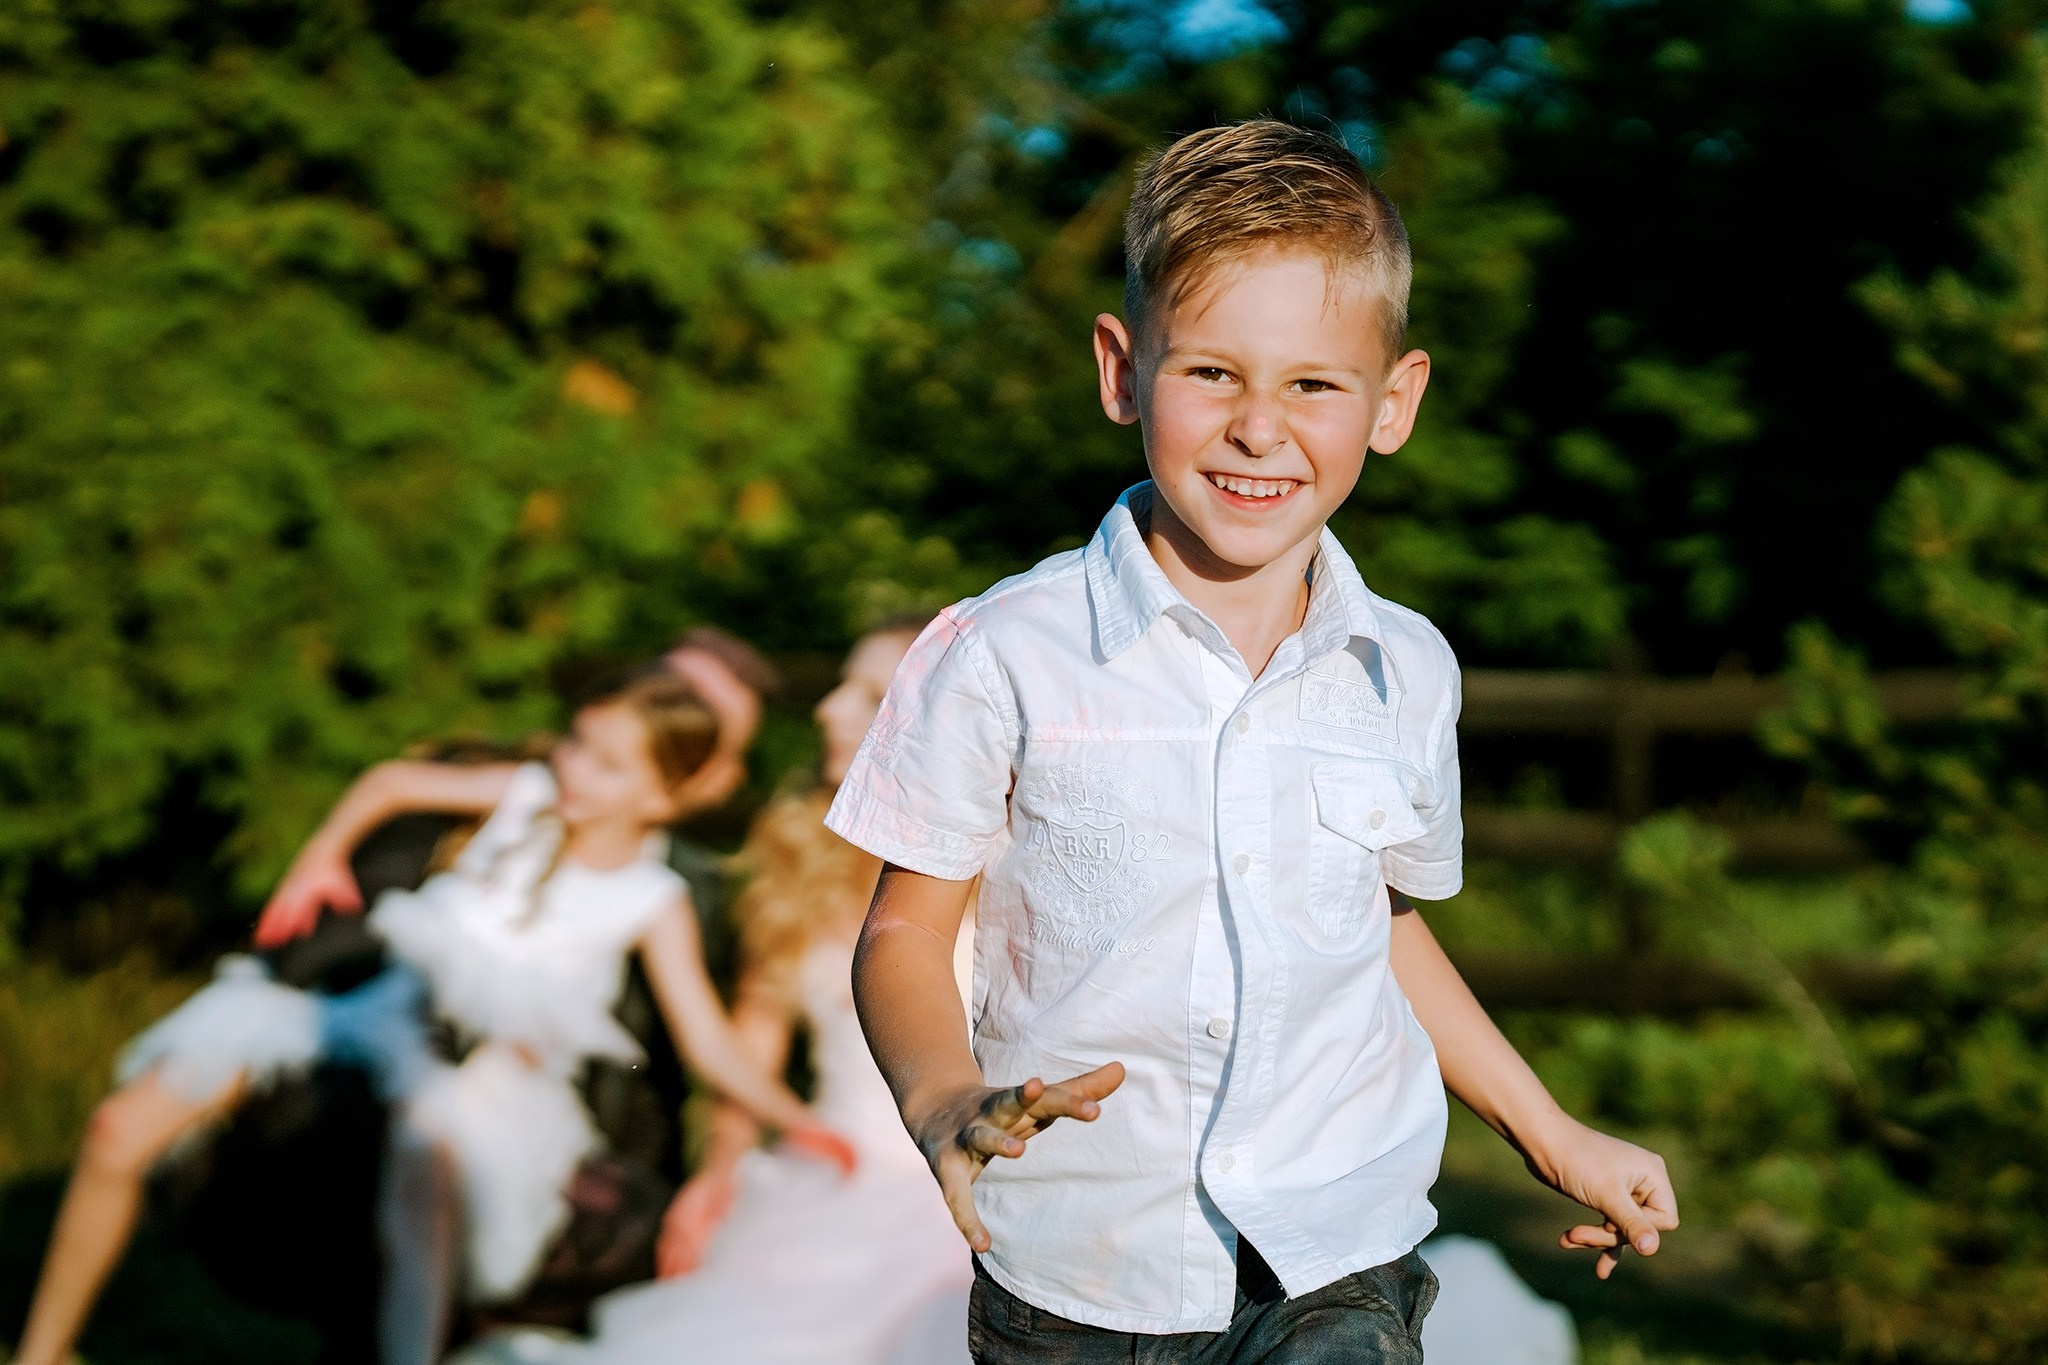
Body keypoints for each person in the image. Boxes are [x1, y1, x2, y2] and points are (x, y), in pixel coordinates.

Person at [828, 120, 1680, 1363]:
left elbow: (1382, 936)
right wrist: (942, 1098)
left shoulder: (1405, 670)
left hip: (1337, 1250)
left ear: (1392, 403)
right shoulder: (999, 651)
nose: (1257, 427)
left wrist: (1552, 1133)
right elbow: (906, 929)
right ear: (1122, 372)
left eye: (1312, 385)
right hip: (1081, 1276)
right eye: (1211, 374)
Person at [13, 670, 853, 1365]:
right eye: (574, 743)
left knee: (428, 1181)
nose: (573, 769)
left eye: (606, 765)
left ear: (664, 798)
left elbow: (707, 1036)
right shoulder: (526, 792)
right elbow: (389, 782)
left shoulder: (652, 896)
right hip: (375, 1007)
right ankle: (43, 1350)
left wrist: (796, 1119)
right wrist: (320, 856)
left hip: (480, 1071)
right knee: (121, 1126)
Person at [457, 620, 975, 1365]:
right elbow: (755, 1034)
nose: (827, 708)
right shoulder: (798, 858)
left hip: (952, 1189)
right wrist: (722, 1162)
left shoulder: (1004, 864)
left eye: (867, 696)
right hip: (824, 1175)